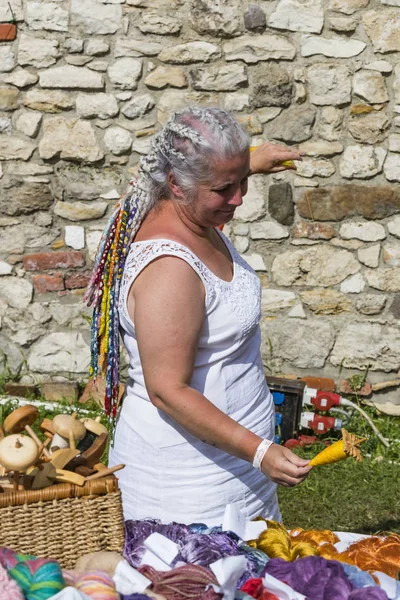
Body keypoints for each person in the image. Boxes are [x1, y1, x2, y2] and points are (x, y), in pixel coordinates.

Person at [85, 106, 311, 526]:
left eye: (243, 182)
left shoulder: (185, 207)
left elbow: (213, 177)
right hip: (188, 482)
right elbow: (167, 390)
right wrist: (259, 451)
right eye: (226, 188)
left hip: (235, 461)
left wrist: (249, 163)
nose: (239, 198)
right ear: (177, 184)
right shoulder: (170, 270)